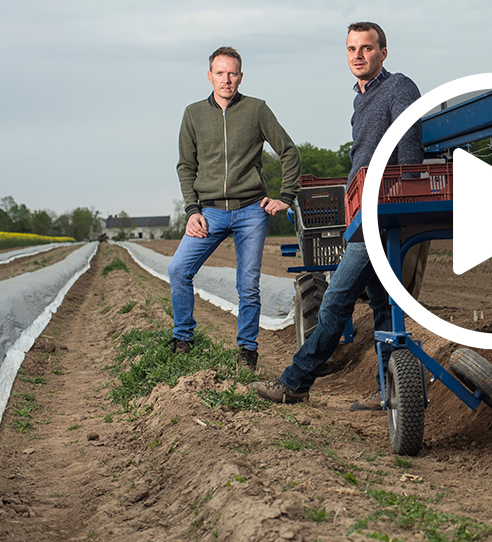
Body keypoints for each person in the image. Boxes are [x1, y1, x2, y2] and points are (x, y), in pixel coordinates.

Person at [252, 22, 422, 404]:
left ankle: (295, 383)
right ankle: (388, 392)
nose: (358, 56)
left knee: (334, 301)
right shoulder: (360, 98)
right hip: (364, 213)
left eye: (366, 48)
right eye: (351, 49)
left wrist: (406, 194)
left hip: (383, 213)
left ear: (383, 52)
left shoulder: (399, 87)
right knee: (381, 308)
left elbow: (409, 142)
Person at [169, 46, 301, 373]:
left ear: (241, 76)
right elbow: (186, 166)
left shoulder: (257, 110)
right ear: (209, 75)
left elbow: (288, 152)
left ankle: (247, 350)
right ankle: (183, 338)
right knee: (178, 270)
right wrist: (191, 210)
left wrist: (285, 195)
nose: (226, 79)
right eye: (220, 73)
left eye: (232, 73)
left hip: (251, 211)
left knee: (248, 285)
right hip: (209, 212)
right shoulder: (193, 114)